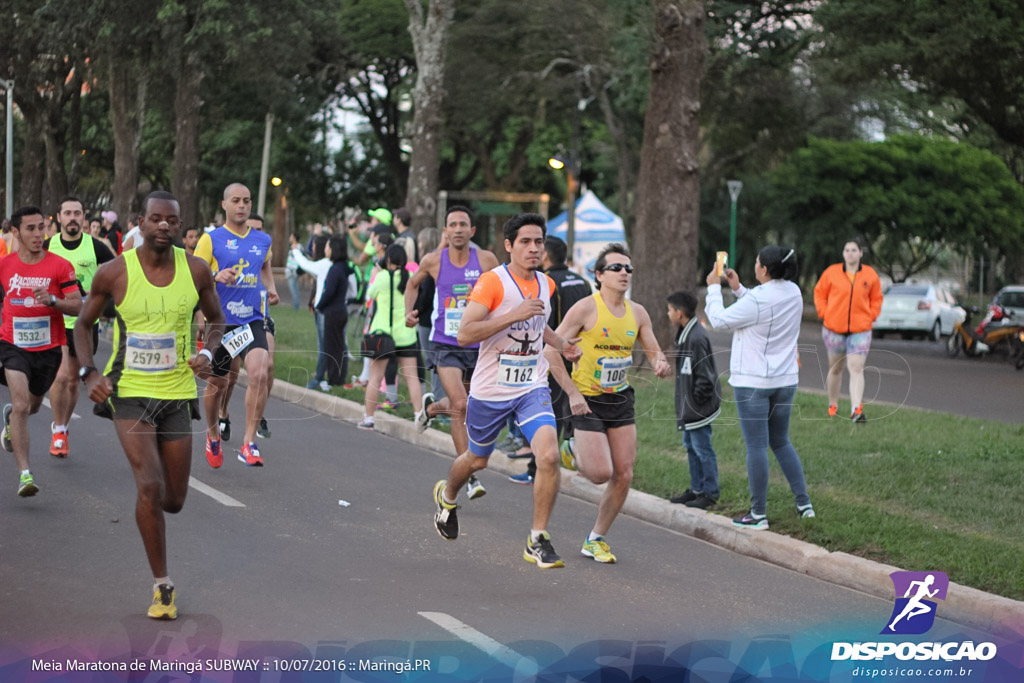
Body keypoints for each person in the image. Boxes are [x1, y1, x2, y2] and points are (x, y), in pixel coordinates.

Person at [76, 190, 225, 619]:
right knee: (148, 485)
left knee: (173, 499)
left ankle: (150, 514)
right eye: (156, 219)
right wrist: (91, 373)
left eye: (172, 221)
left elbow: (216, 320)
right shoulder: (113, 273)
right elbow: (83, 326)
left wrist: (210, 354)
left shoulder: (196, 270)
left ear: (180, 225)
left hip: (177, 396)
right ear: (139, 222)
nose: (164, 226)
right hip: (130, 394)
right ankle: (163, 585)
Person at [431, 213, 582, 569]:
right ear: (509, 246)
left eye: (539, 242)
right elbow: (466, 334)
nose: (534, 248)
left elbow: (538, 324)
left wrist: (561, 342)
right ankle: (448, 495)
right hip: (491, 389)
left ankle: (537, 538)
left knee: (547, 456)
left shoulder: (546, 284)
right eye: (526, 242)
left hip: (531, 384)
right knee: (476, 460)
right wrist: (512, 315)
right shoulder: (492, 283)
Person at [544, 244, 671, 563]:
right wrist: (571, 393)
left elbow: (654, 349)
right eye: (616, 268)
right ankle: (572, 449)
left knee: (624, 473)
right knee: (600, 473)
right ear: (599, 275)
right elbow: (550, 350)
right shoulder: (586, 309)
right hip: (585, 398)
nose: (624, 273)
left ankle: (595, 539)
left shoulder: (637, 313)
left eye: (628, 269)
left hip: (620, 399)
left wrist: (660, 363)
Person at [704, 245, 815, 530]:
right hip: (785, 380)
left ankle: (758, 514)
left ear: (764, 269)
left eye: (756, 262)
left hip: (753, 383)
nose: (754, 265)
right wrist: (738, 287)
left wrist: (714, 289)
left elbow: (719, 319)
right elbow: (758, 304)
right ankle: (804, 504)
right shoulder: (793, 292)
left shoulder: (758, 301)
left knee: (756, 446)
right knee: (781, 441)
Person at [406, 206, 500, 500]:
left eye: (463, 224)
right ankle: (468, 474)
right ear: (445, 231)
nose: (458, 229)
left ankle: (431, 409)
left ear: (472, 231)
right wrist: (409, 312)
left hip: (478, 343)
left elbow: (501, 290)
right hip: (445, 342)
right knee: (460, 404)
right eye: (452, 225)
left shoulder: (485, 260)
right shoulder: (433, 260)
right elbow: (412, 284)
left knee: (469, 403)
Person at [194, 183, 278, 467]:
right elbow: (196, 273)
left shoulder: (263, 240)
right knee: (217, 383)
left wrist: (272, 287)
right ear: (224, 205)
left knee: (259, 372)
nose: (242, 205)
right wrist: (216, 275)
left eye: (246, 201)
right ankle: (212, 431)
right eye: (236, 201)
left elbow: (264, 266)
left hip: (252, 319)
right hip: (221, 321)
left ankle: (248, 443)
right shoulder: (211, 239)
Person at [0, 206, 82, 496]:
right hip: (12, 345)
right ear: (16, 232)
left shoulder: (60, 266)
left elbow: (77, 305)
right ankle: (25, 474)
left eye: (41, 228)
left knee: (32, 406)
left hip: (48, 349)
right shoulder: (5, 265)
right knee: (22, 405)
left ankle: (11, 418)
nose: (38, 234)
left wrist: (54, 301)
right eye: (31, 229)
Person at [509, 235, 592, 484]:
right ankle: (580, 462)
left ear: (546, 255)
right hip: (579, 353)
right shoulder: (582, 281)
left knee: (549, 412)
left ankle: (537, 469)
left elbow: (546, 325)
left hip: (553, 353)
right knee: (573, 408)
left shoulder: (547, 282)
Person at [45, 196, 117, 458]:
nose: (73, 217)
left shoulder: (95, 247)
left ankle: (62, 428)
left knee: (74, 380)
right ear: (59, 217)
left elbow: (119, 272)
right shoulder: (48, 246)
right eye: (68, 213)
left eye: (77, 213)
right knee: (62, 376)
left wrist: (102, 294)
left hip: (85, 323)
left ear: (84, 219)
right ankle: (60, 429)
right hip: (55, 320)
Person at [813, 239, 883, 423]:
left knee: (856, 367)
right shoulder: (832, 273)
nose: (850, 253)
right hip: (834, 328)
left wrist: (871, 316)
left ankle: (856, 410)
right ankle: (833, 405)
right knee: (835, 368)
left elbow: (877, 299)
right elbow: (819, 293)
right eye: (847, 250)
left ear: (861, 253)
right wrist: (825, 313)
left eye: (854, 250)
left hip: (860, 329)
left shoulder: (870, 275)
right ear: (843, 254)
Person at [666, 290, 722, 509]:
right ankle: (697, 489)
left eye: (669, 310)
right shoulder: (685, 333)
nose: (667, 314)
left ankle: (710, 493)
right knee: (690, 445)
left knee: (702, 448)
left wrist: (696, 401)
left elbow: (705, 377)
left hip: (698, 407)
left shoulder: (696, 337)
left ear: (680, 313)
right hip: (690, 406)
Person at [359, 244, 423, 429]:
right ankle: (419, 415)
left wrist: (376, 273)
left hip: (383, 335)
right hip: (406, 334)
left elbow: (370, 295)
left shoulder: (381, 277)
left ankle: (369, 418)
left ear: (387, 260)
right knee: (412, 377)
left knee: (375, 378)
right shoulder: (409, 278)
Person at [291, 234, 333, 391]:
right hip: (323, 308)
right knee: (326, 343)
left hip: (324, 309)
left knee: (324, 344)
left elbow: (304, 264)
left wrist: (295, 249)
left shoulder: (325, 264)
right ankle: (325, 373)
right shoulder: (333, 264)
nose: (312, 247)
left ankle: (320, 377)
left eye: (314, 245)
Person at [317, 234, 351, 386]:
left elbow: (329, 291)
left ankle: (333, 380)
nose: (326, 249)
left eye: (328, 246)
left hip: (333, 312)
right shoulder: (343, 268)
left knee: (332, 348)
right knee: (339, 346)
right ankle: (338, 378)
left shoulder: (335, 270)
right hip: (341, 310)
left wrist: (319, 305)